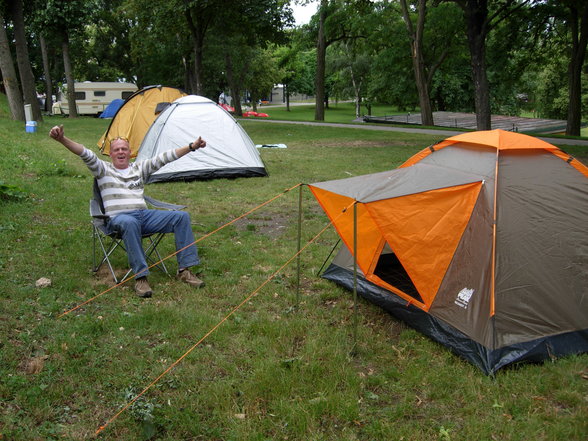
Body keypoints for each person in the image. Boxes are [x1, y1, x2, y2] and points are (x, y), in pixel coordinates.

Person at [49, 125, 206, 298]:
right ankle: (141, 277)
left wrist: (191, 147)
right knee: (130, 222)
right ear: (110, 153)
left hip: (144, 216)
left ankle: (185, 270)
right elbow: (84, 153)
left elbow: (165, 157)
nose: (121, 152)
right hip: (119, 219)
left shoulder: (139, 168)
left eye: (124, 149)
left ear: (130, 152)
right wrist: (62, 139)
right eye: (116, 149)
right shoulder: (102, 169)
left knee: (181, 217)